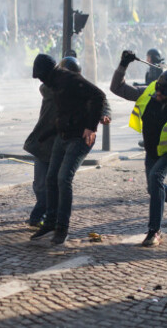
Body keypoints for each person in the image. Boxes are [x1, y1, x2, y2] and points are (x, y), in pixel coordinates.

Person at [111, 51, 167, 247]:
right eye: (158, 89)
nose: (158, 94)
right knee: (152, 188)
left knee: (156, 178)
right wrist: (123, 65)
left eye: (164, 92)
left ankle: (155, 231)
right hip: (152, 151)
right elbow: (117, 88)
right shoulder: (150, 91)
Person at [29, 54, 109, 245]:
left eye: (41, 76)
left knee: (64, 178)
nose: (41, 80)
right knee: (51, 178)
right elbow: (64, 114)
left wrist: (91, 127)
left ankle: (62, 228)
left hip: (80, 137)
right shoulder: (54, 84)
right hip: (63, 135)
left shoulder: (70, 79)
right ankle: (49, 223)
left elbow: (99, 96)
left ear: (49, 72)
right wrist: (47, 133)